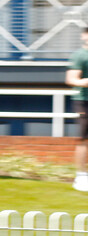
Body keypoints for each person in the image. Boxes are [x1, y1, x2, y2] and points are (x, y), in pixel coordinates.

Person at [65, 27, 88, 192]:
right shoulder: (80, 56)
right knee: (84, 139)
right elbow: (72, 79)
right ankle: (81, 177)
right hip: (84, 101)